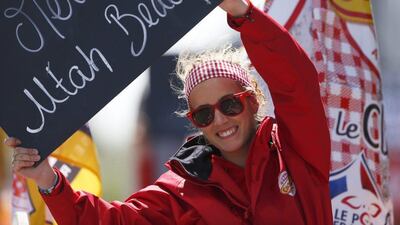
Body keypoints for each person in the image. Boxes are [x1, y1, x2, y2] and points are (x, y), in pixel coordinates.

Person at [5, 0, 333, 224]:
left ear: (252, 101)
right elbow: (111, 221)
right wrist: (48, 181)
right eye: (204, 114)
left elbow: (297, 82)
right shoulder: (180, 190)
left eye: (229, 105)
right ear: (194, 123)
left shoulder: (295, 153)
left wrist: (243, 12)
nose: (219, 119)